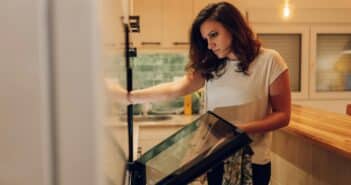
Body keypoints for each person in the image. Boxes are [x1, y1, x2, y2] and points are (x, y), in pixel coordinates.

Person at [108, 1, 291, 185]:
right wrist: (129, 97)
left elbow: (283, 115)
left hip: (253, 162)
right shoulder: (211, 65)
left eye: (214, 35)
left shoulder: (269, 61)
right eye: (205, 39)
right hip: (214, 159)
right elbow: (176, 89)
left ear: (233, 27)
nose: (210, 44)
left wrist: (242, 129)